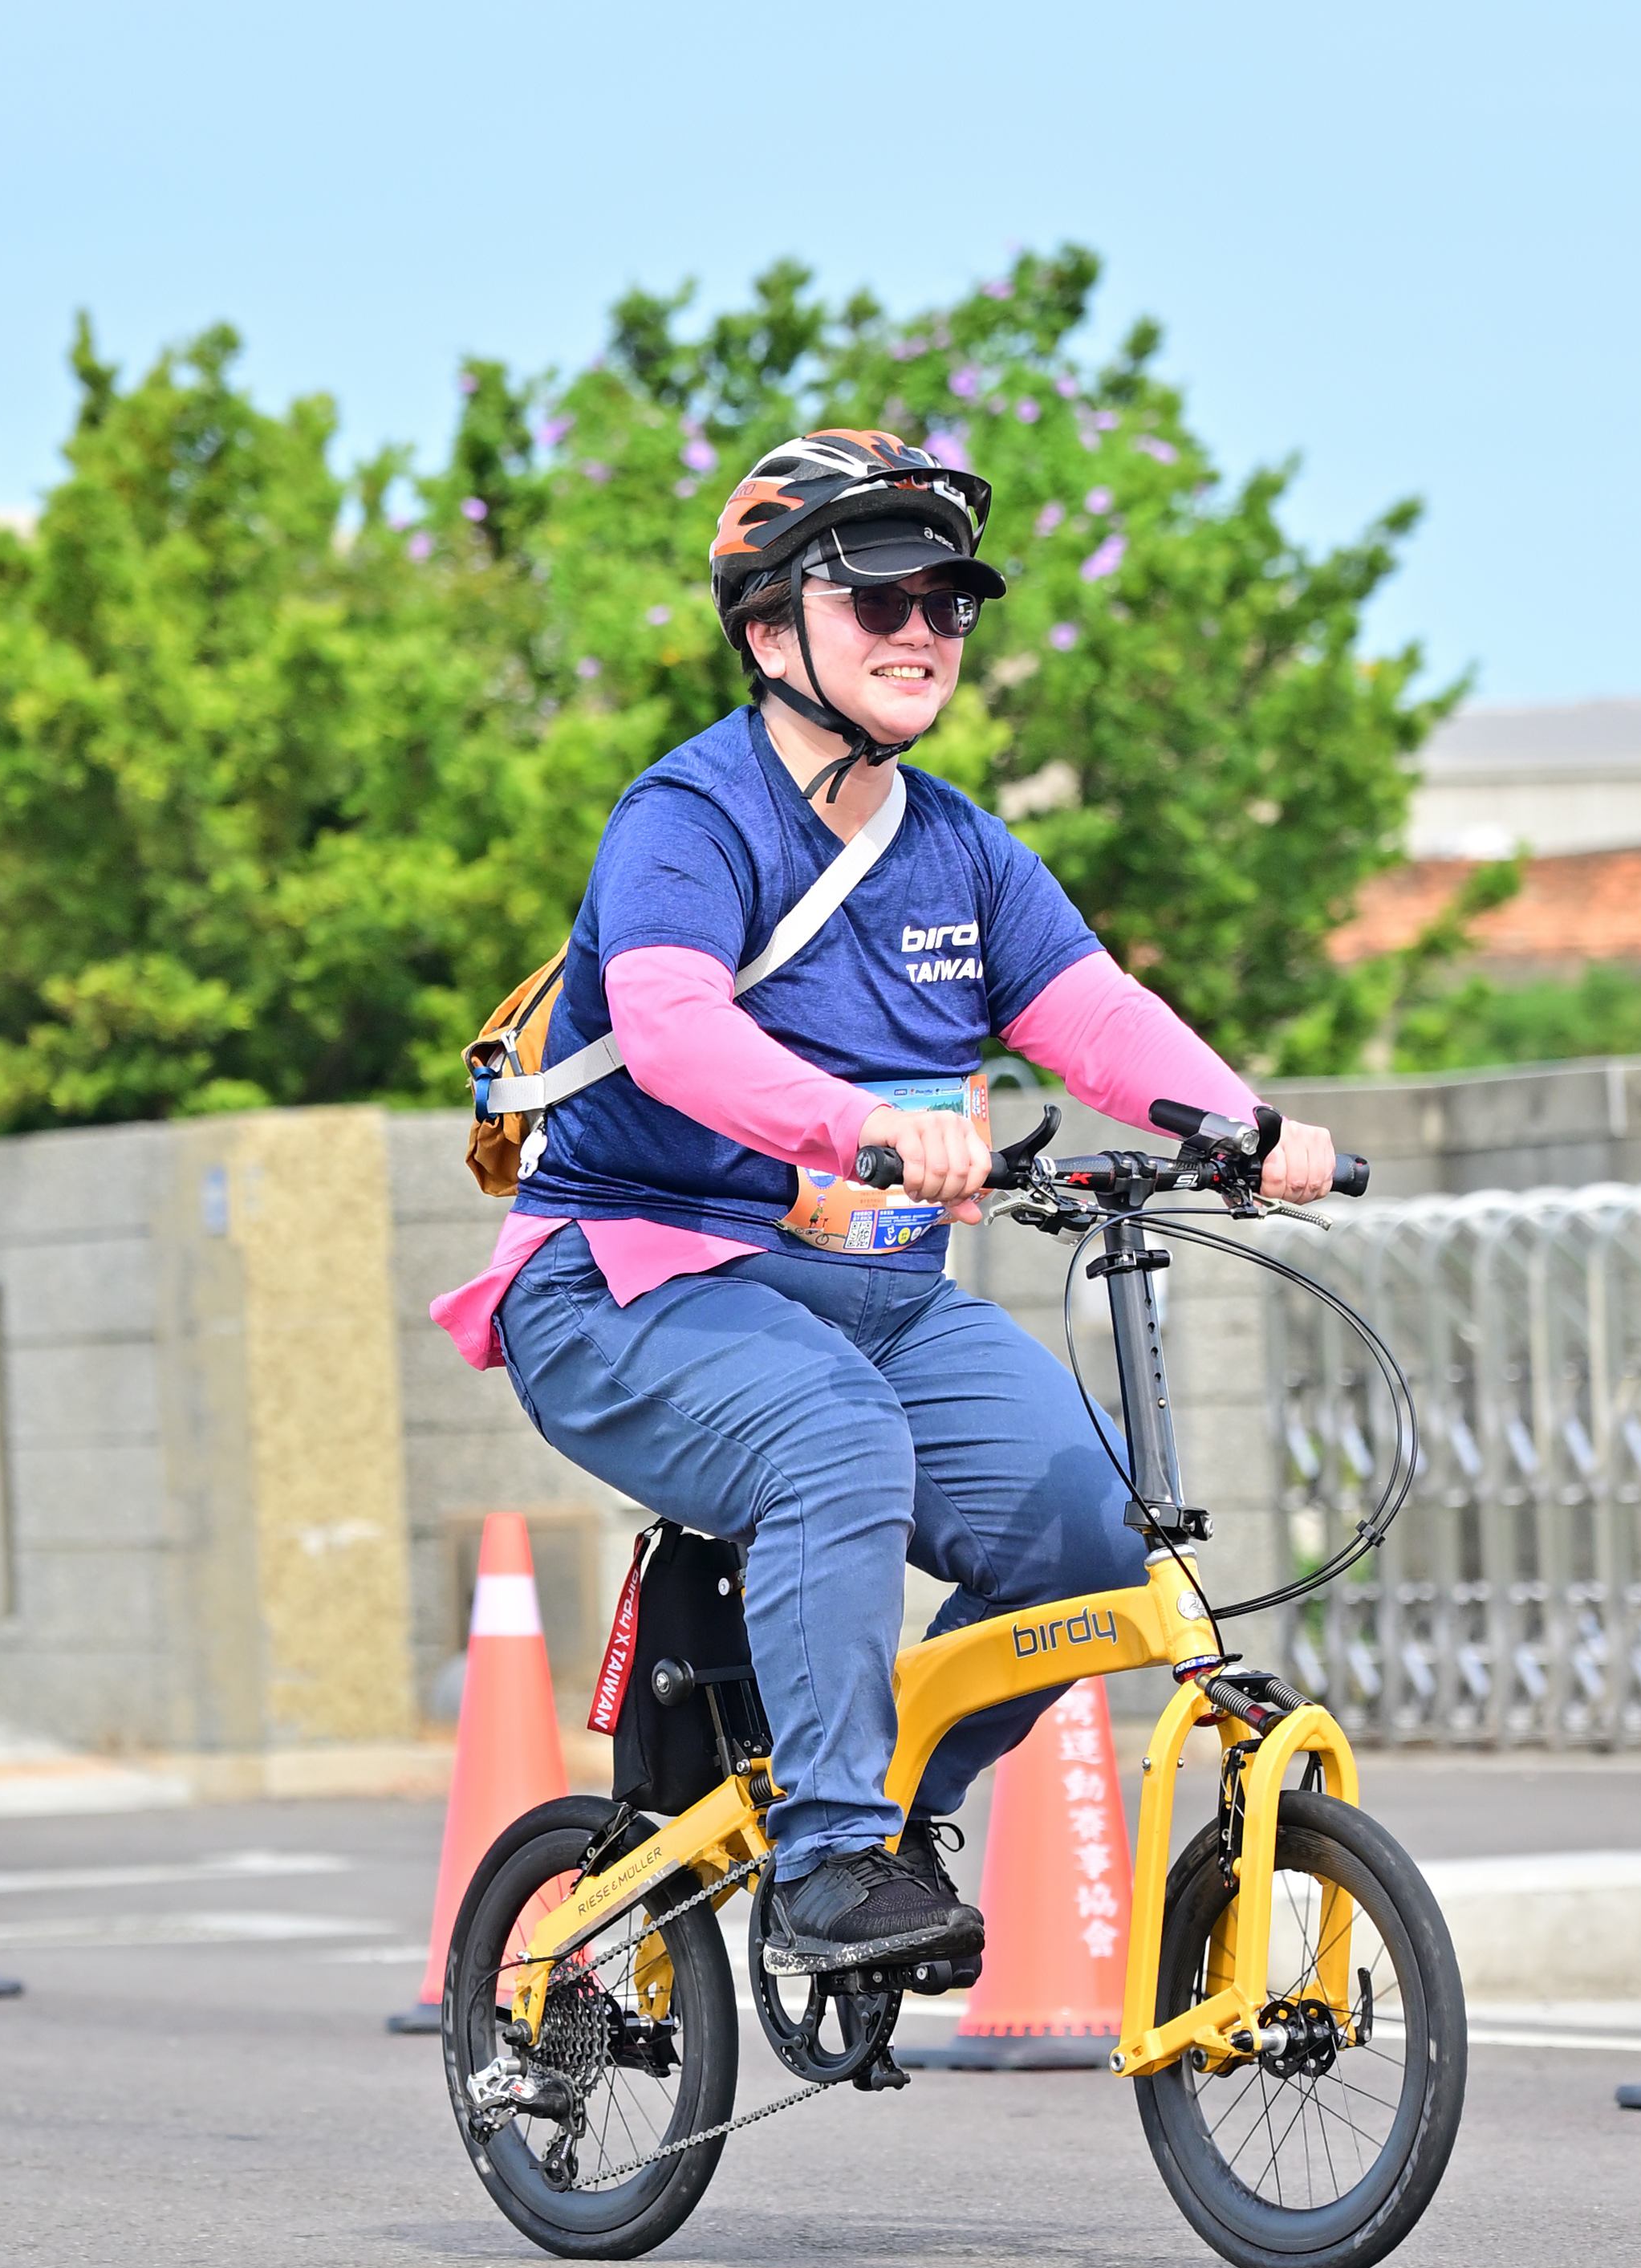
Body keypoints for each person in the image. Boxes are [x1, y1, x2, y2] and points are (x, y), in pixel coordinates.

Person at [435, 428, 1337, 1977]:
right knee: (833, 1438)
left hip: (881, 1304)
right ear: (768, 629)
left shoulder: (962, 851)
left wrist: (1242, 1125)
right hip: (633, 1284)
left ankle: (892, 1805)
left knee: (1092, 1530)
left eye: (949, 602)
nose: (922, 630)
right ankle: (829, 1859)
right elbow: (670, 1027)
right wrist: (858, 1125)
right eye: (878, 599)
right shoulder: (688, 818)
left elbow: (1093, 1015)